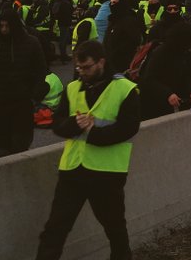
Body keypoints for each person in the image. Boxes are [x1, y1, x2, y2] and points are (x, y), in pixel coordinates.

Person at [35, 40, 140, 260]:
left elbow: (128, 128)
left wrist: (93, 134)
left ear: (101, 62)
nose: (82, 72)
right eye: (78, 68)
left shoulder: (125, 89)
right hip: (73, 169)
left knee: (114, 229)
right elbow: (57, 123)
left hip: (107, 172)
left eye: (87, 67)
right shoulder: (73, 88)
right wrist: (74, 124)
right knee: (55, 229)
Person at [0, 10, 48, 154]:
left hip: (23, 101)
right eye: (1, 26)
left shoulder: (31, 43)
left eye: (7, 26)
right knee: (3, 147)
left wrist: (34, 96)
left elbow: (41, 69)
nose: (4, 30)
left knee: (21, 145)